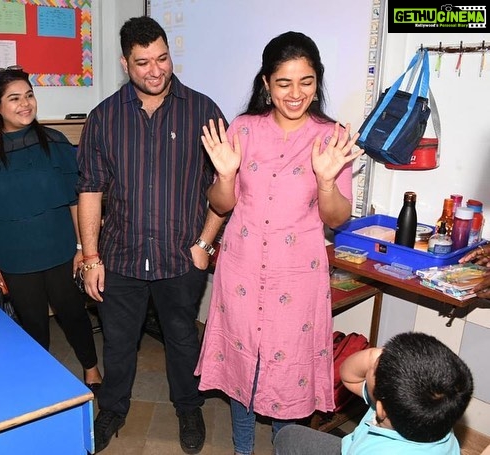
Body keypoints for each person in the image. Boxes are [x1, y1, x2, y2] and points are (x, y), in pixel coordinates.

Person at [194, 31, 364, 455]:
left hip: (298, 273)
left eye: (306, 82)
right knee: (242, 364)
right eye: (284, 83)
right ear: (267, 84)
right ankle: (243, 449)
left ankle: (287, 447)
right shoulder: (243, 129)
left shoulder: (331, 136)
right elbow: (219, 202)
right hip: (242, 267)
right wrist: (227, 175)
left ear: (317, 82)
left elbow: (338, 218)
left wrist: (326, 180)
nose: (295, 93)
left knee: (290, 371)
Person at [76, 16, 227, 454]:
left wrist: (205, 244)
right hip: (120, 256)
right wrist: (90, 257)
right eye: (143, 62)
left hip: (181, 258)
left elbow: (223, 186)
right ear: (126, 63)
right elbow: (90, 190)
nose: (155, 70)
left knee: (182, 338)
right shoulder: (103, 118)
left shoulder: (203, 111)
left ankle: (188, 407)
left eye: (162, 58)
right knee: (120, 343)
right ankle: (113, 409)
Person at [0, 67, 102, 390]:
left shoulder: (55, 142)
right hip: (15, 257)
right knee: (34, 323)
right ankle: (42, 379)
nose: (25, 104)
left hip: (60, 250)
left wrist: (83, 248)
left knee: (73, 314)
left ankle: (91, 369)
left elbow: (76, 200)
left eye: (29, 95)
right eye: (14, 99)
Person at [273, 331, 474, 454]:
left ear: (381, 409)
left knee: (287, 438)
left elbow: (349, 374)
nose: (374, 359)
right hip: (357, 445)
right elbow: (349, 376)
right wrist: (376, 358)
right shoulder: (431, 416)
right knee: (289, 435)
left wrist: (375, 360)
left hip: (359, 450)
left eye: (375, 367)